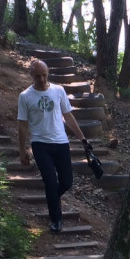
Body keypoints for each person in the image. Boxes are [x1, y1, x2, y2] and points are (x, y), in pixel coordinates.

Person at [17, 59, 91, 232]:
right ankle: (56, 219)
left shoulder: (59, 91)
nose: (42, 79)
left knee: (67, 182)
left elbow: (68, 116)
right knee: (50, 182)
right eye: (38, 76)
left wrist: (82, 138)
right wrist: (22, 150)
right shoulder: (25, 96)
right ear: (31, 75)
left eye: (44, 75)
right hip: (40, 144)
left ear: (48, 73)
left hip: (61, 142)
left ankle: (52, 199)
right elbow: (22, 125)